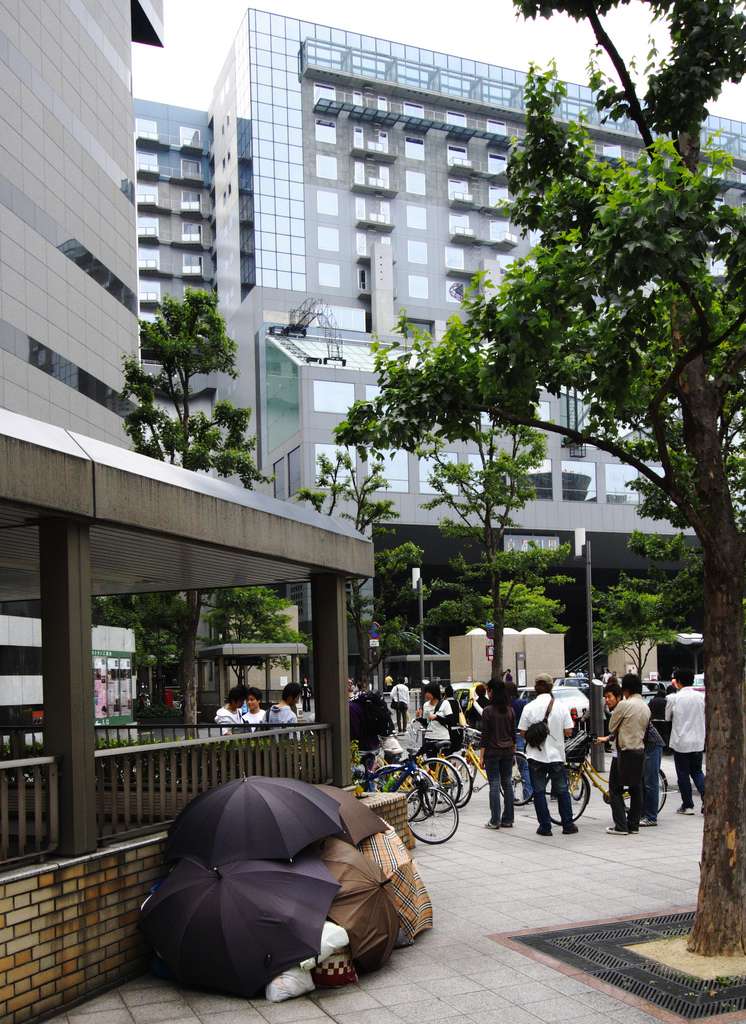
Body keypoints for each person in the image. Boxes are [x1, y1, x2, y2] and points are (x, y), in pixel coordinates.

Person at [517, 674, 577, 837]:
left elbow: (522, 732)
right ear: (551, 687)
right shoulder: (561, 706)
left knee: (539, 791)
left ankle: (545, 826)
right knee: (562, 790)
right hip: (556, 755)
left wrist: (535, 736)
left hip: (535, 756)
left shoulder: (529, 707)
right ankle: (568, 824)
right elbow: (568, 730)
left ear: (536, 688)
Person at [596, 674, 650, 835]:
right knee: (636, 788)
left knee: (615, 789)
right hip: (639, 750)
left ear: (625, 690)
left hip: (623, 753)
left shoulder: (625, 705)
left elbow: (612, 726)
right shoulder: (646, 707)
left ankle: (621, 825)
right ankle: (634, 825)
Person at [666, 668, 706, 814]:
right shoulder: (701, 697)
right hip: (698, 740)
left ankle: (687, 805)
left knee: (682, 774)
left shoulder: (673, 698)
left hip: (681, 741)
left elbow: (667, 717)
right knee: (697, 771)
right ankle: (706, 797)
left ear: (677, 682)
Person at [480, 682, 516, 830]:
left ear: (492, 691)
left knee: (494, 784)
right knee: (507, 783)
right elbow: (513, 734)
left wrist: (481, 756)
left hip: (492, 752)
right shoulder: (510, 710)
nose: (488, 693)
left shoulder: (488, 711)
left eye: (488, 690)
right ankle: (508, 819)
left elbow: (485, 735)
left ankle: (495, 820)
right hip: (508, 751)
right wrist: (513, 752)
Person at [506, 681, 532, 801]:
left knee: (508, 768)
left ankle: (510, 795)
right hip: (521, 735)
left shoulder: (505, 705)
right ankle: (528, 794)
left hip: (508, 737)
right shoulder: (523, 703)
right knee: (524, 767)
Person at [640, 715, 665, 827]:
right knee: (644, 781)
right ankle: (644, 813)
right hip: (645, 745)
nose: (607, 700)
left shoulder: (632, 708)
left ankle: (651, 817)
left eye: (609, 696)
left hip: (652, 744)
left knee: (650, 782)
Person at [417, 682, 452, 753]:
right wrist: (419, 717)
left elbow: (450, 721)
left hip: (442, 737)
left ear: (434, 692)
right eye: (425, 692)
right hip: (429, 737)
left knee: (442, 762)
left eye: (428, 692)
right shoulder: (425, 705)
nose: (426, 694)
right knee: (431, 761)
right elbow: (426, 723)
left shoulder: (445, 703)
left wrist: (437, 717)